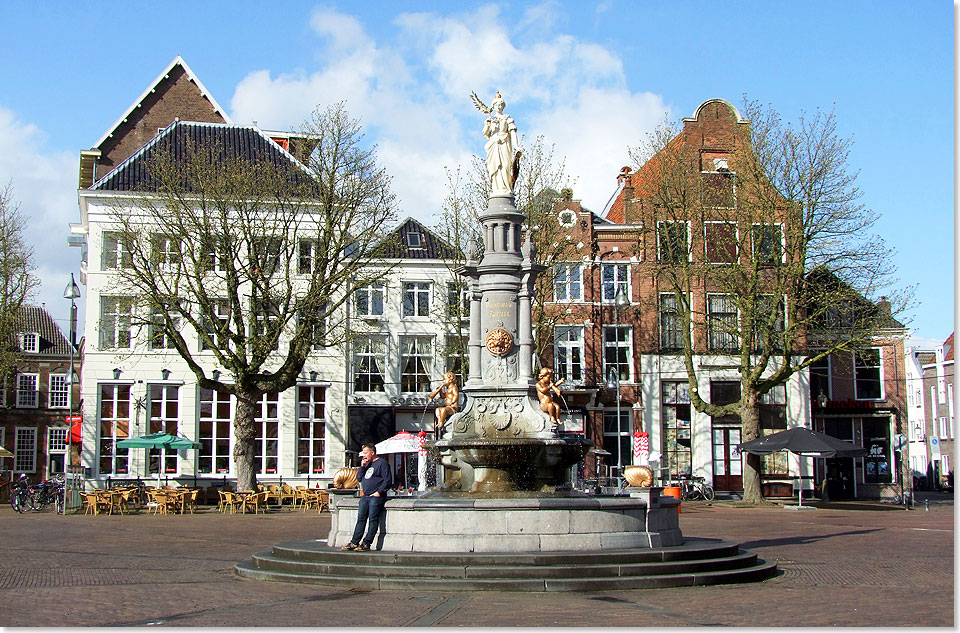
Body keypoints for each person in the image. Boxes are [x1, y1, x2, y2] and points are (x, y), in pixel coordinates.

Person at [341, 443, 392, 551]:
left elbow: (388, 480)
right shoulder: (366, 464)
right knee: (361, 519)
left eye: (365, 453)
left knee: (373, 519)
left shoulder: (382, 464)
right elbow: (359, 478)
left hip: (376, 496)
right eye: (363, 453)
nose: (363, 455)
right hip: (365, 496)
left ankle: (366, 543)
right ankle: (354, 542)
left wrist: (379, 492)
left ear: (372, 453)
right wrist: (362, 467)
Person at [481, 93, 521, 195]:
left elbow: (512, 132)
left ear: (503, 106)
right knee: (495, 168)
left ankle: (505, 189)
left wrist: (516, 146)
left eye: (501, 105)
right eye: (497, 105)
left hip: (504, 144)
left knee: (505, 166)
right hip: (494, 145)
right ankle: (496, 189)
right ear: (493, 107)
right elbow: (485, 133)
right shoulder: (491, 119)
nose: (499, 107)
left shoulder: (507, 118)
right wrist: (488, 124)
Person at [428, 371, 460, 436]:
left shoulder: (454, 387)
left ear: (451, 380)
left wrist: (453, 401)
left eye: (445, 379)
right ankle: (440, 420)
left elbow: (456, 395)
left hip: (453, 407)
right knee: (437, 409)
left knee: (443, 410)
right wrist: (440, 391)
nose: (443, 381)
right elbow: (443, 396)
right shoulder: (448, 389)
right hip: (448, 407)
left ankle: (441, 423)